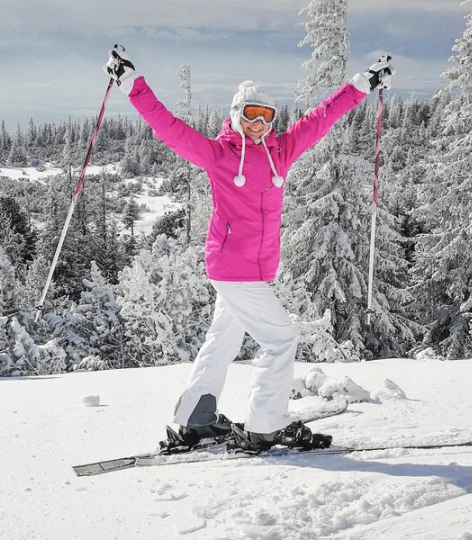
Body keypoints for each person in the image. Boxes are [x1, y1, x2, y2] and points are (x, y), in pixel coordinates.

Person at [104, 44, 394, 451]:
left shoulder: (283, 151)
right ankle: (266, 424)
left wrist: (362, 84)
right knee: (280, 338)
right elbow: (168, 127)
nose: (258, 123)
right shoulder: (219, 154)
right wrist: (133, 84)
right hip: (231, 268)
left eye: (266, 116)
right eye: (251, 114)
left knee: (223, 339)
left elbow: (322, 117)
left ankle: (195, 418)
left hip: (254, 270)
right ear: (237, 115)